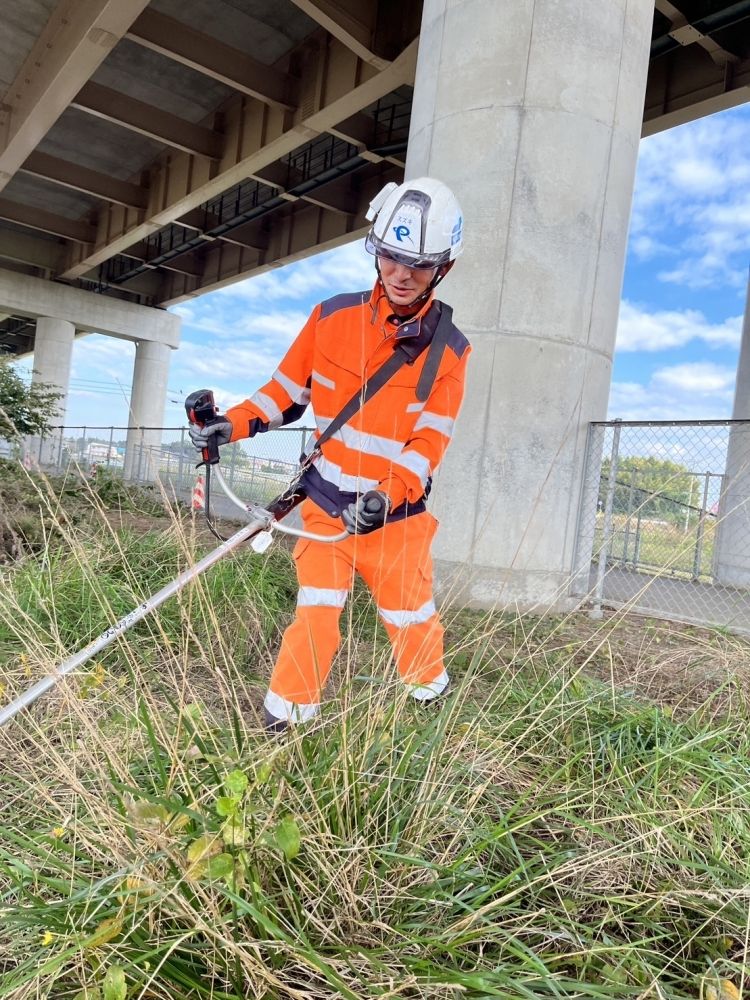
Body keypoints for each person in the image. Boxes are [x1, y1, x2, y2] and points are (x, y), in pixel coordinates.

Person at [188, 177, 471, 731]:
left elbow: (428, 444)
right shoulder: (330, 318)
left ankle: (429, 703)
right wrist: (230, 425)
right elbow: (283, 394)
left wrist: (386, 497)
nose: (401, 274)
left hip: (395, 519)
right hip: (324, 507)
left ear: (444, 268)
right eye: (391, 256)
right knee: (315, 611)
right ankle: (284, 721)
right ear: (376, 250)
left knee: (409, 615)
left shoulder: (451, 352)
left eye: (419, 265)